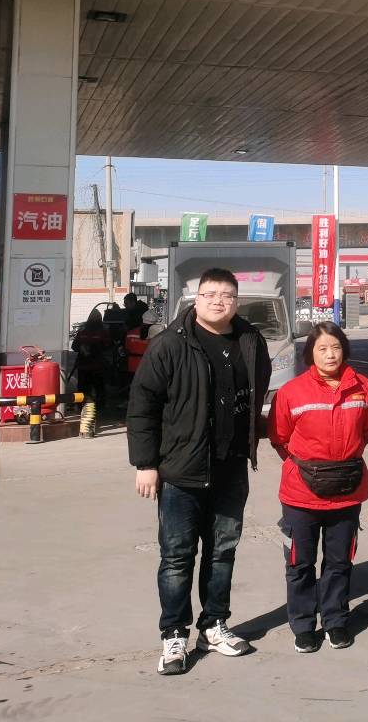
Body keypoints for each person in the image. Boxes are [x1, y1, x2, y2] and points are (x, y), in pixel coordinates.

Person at [127, 268, 272, 676]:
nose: (219, 302)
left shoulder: (250, 340)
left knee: (223, 551)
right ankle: (174, 635)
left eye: (227, 295)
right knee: (177, 557)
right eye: (211, 294)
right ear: (197, 298)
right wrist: (145, 463)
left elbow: (256, 391)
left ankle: (213, 625)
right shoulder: (171, 344)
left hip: (230, 468)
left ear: (237, 301)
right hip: (181, 470)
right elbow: (142, 406)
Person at [268, 322, 368, 653]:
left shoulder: (365, 388)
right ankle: (303, 625)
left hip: (347, 492)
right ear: (310, 354)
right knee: (299, 563)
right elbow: (279, 437)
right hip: (301, 493)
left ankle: (335, 621)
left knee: (339, 562)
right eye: (322, 349)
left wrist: (342, 461)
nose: (330, 354)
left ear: (344, 349)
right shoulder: (291, 392)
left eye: (336, 347)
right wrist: (308, 467)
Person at [70, 308, 113, 412]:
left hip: (83, 365)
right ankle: (100, 408)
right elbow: (108, 346)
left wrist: (83, 348)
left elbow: (74, 346)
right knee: (99, 388)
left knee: (83, 388)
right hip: (97, 365)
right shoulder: (103, 332)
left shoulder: (82, 331)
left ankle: (81, 407)